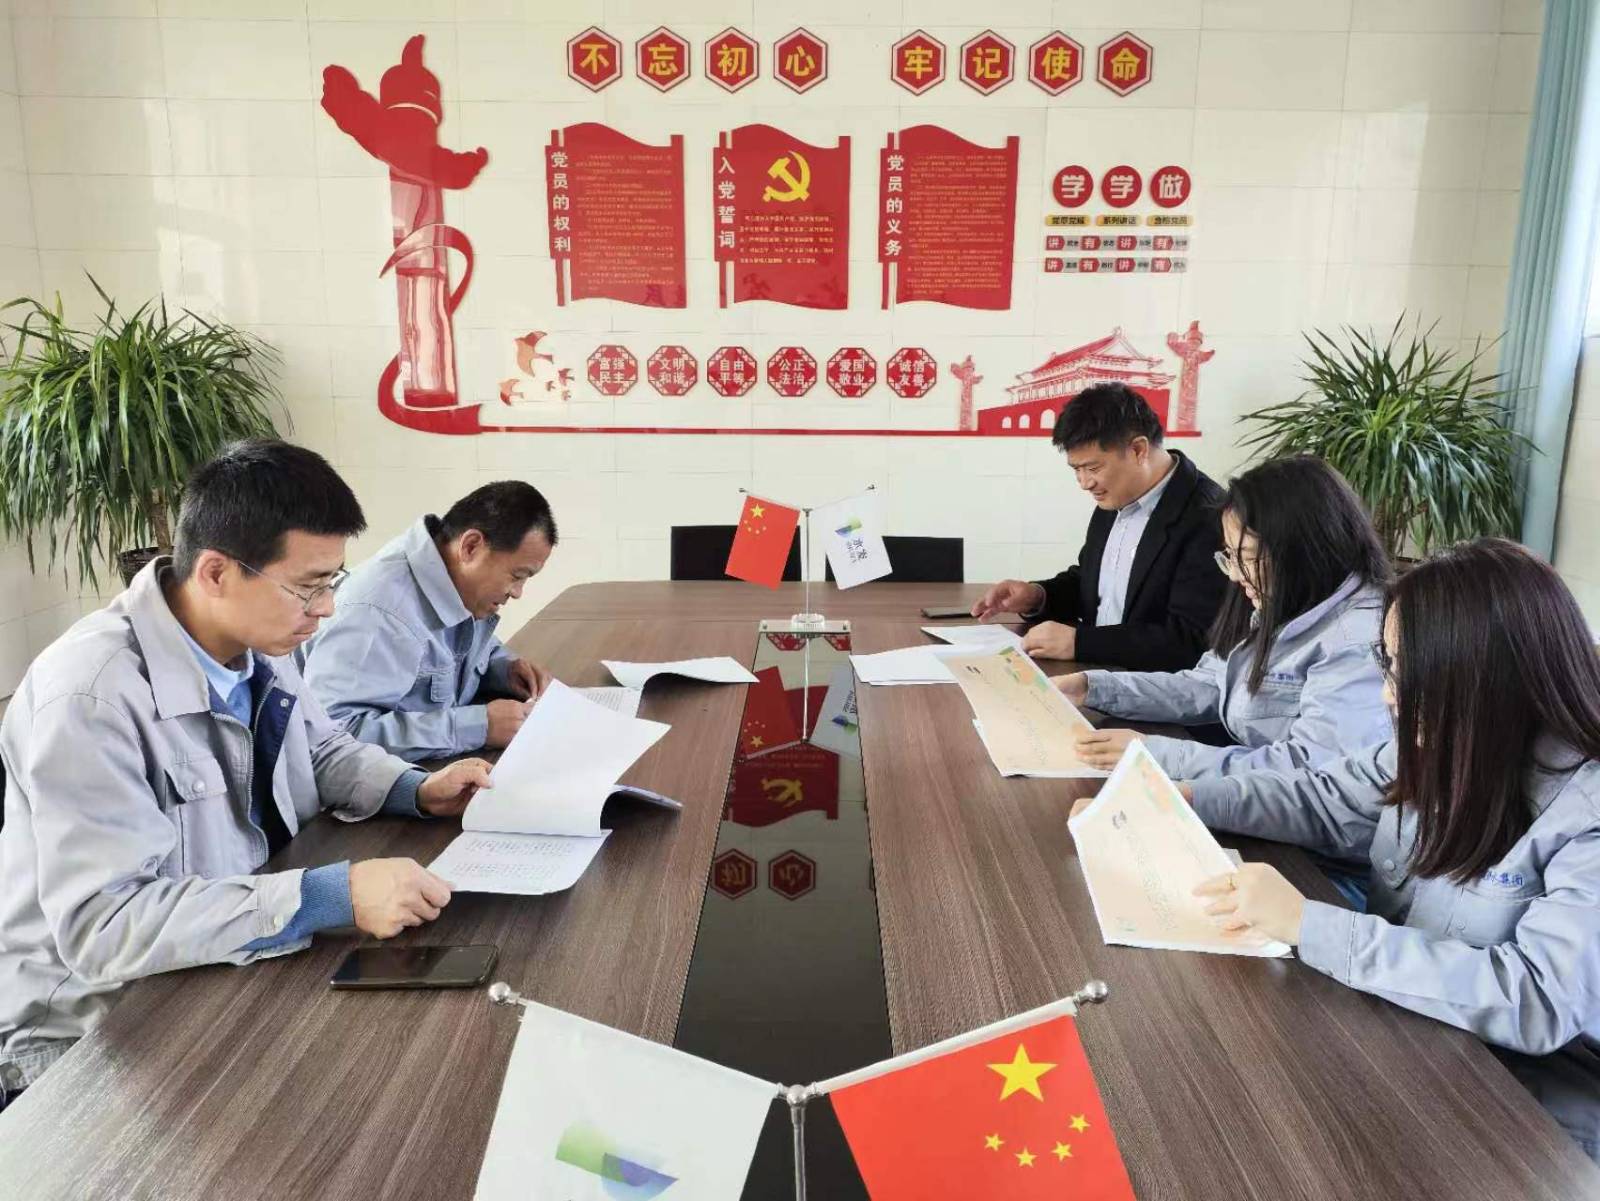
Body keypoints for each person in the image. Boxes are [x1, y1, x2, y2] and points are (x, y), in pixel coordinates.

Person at [0, 441, 491, 1109]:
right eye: (308, 586)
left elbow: (321, 750)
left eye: (332, 582)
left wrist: (416, 789)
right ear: (215, 572)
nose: (326, 609)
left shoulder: (256, 641)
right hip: (96, 1034)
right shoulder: (90, 696)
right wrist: (328, 895)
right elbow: (104, 925)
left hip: (221, 962)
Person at [1181, 539, 1599, 1163]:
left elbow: (1536, 999)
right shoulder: (1436, 740)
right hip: (1404, 1029)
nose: (1387, 695)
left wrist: (1310, 925)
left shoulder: (1585, 812)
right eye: (1389, 663)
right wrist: (1187, 797)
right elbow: (1320, 798)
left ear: (1481, 680)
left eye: (1406, 671)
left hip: (1528, 1112)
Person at [1054, 455, 1391, 779]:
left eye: (1249, 558)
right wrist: (1093, 687)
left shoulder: (1355, 641)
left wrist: (1157, 754)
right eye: (1230, 555)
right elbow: (1207, 684)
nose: (1235, 575)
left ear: (1308, 550)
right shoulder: (1284, 601)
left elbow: (1310, 771)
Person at [971, 383, 1227, 672]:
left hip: (1152, 687)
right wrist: (1038, 596)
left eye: (1093, 468)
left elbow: (1191, 640)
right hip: (1093, 675)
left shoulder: (1210, 516)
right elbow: (1094, 585)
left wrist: (1080, 642)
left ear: (1138, 450)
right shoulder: (1118, 495)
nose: (1084, 483)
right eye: (1076, 470)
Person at [302, 481, 558, 763]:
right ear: (471, 546)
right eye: (517, 576)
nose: (518, 593)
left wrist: (505, 670)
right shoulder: (378, 613)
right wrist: (478, 727)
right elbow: (334, 734)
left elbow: (458, 652)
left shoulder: (454, 580)